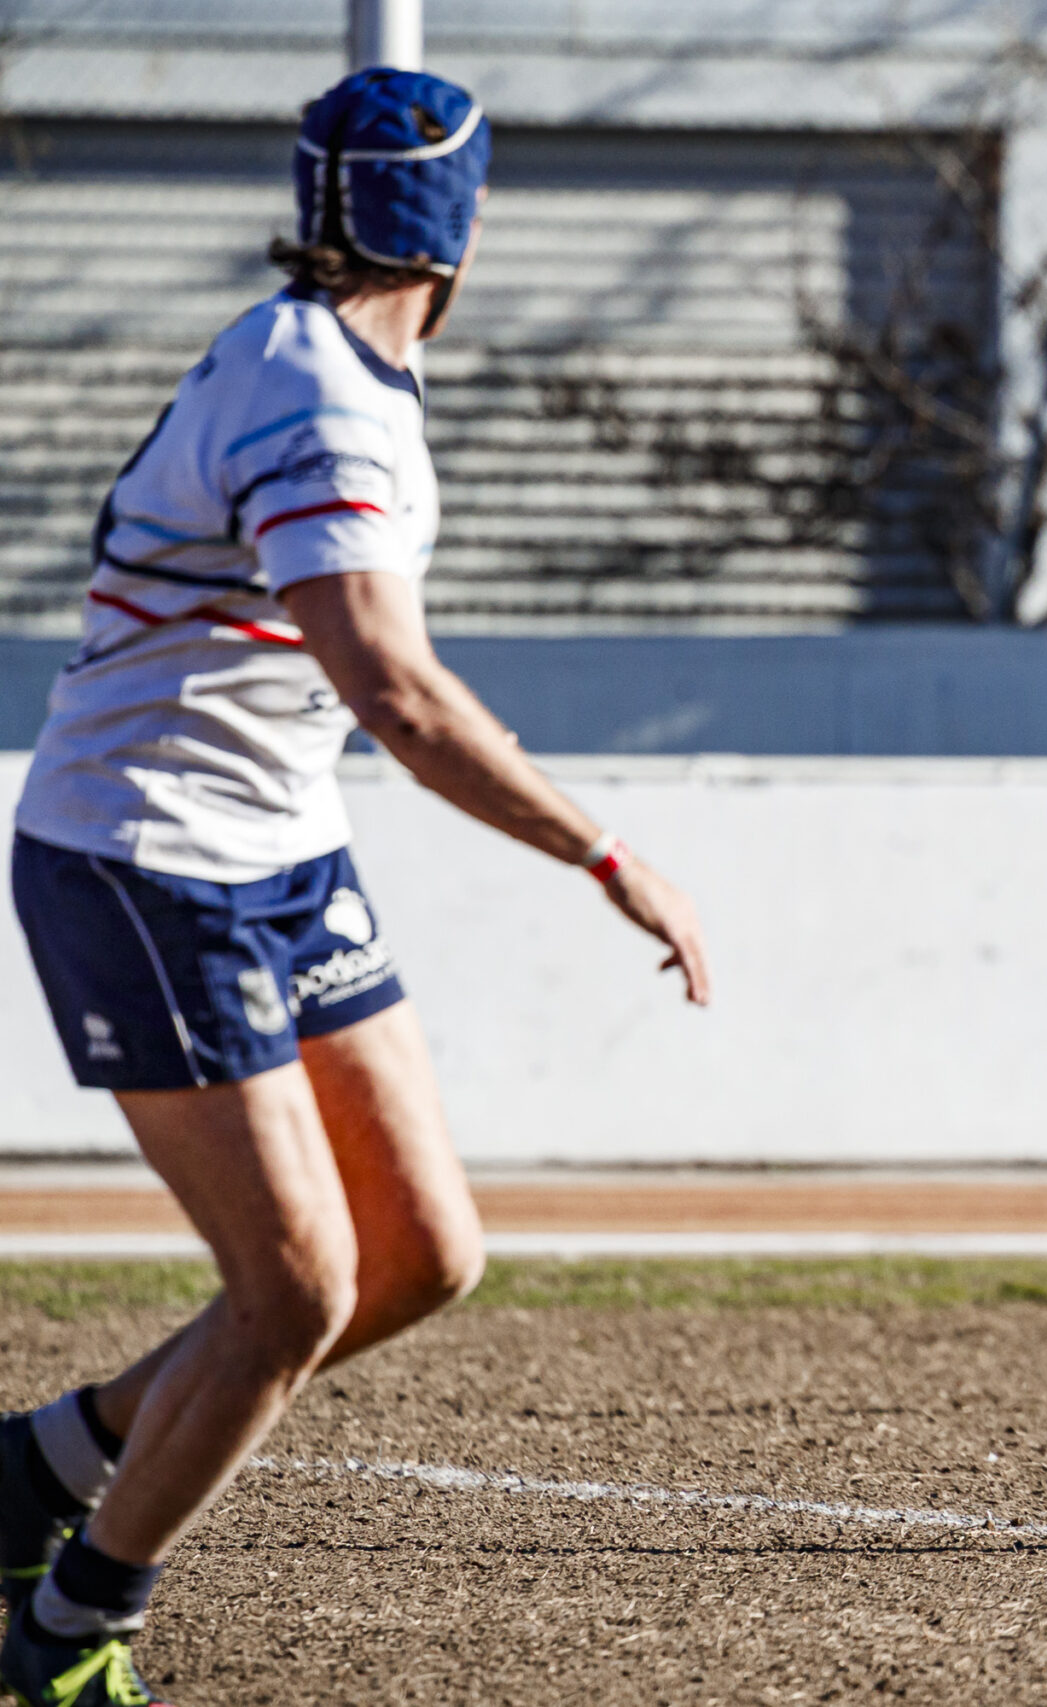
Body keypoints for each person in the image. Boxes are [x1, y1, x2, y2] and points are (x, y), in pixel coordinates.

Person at [0, 69, 711, 1704]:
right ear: (457, 228)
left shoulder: (344, 371)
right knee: (297, 1285)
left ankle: (38, 1470)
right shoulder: (314, 394)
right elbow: (393, 687)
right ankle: (72, 1630)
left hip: (276, 847)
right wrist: (604, 854)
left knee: (417, 1256)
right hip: (145, 857)